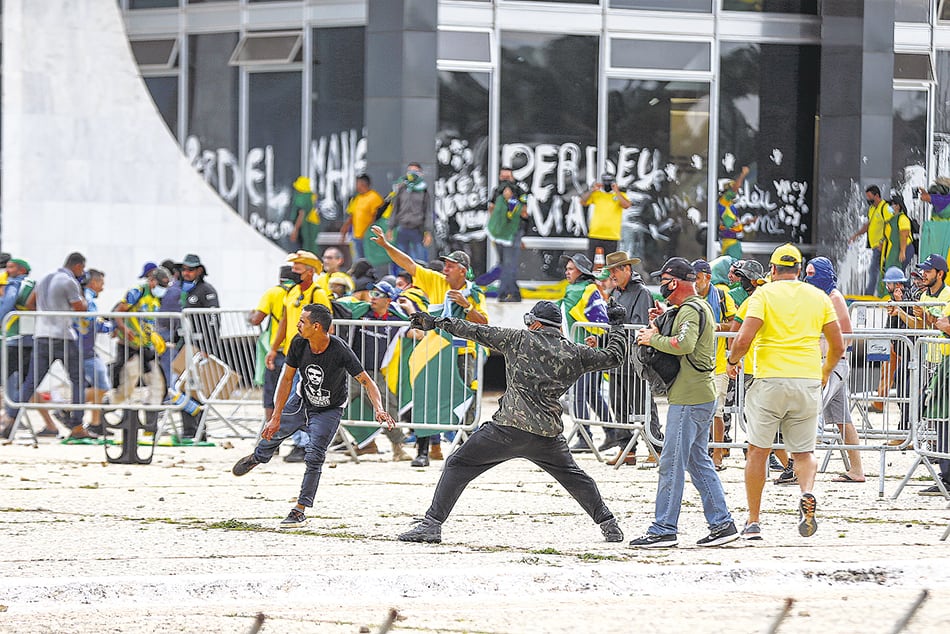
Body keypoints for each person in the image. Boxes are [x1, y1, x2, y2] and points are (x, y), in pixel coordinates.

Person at [396, 300, 628, 544]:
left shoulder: (518, 339)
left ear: (535, 324)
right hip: (547, 435)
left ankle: (432, 525)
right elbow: (614, 357)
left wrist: (436, 322)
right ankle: (608, 523)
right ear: (558, 327)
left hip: (507, 428)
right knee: (575, 477)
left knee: (457, 464)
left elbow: (475, 330)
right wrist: (616, 325)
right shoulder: (575, 352)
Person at [232, 304, 396, 528]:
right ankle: (257, 457)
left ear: (316, 326)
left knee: (314, 456)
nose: (298, 325)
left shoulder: (339, 349)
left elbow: (367, 381)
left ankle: (299, 509)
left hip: (329, 409)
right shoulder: (299, 343)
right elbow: (286, 380)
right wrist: (276, 416)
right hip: (301, 401)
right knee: (271, 436)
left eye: (302, 322)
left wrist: (379, 408)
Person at [726, 244, 844, 540]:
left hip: (770, 380)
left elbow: (743, 339)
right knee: (804, 453)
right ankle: (806, 492)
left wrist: (732, 361)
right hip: (807, 380)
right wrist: (825, 371)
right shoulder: (818, 297)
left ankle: (754, 520)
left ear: (773, 269)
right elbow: (838, 344)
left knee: (758, 451)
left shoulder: (763, 295)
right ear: (800, 270)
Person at [628, 258, 736, 549]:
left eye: (663, 280)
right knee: (696, 461)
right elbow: (685, 336)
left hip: (689, 398)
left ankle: (664, 528)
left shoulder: (690, 309)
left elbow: (684, 344)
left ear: (674, 282)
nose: (661, 286)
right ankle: (722, 524)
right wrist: (663, 320)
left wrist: (652, 339)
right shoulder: (695, 307)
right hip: (697, 395)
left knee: (672, 462)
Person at [371, 225, 488, 467]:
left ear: (462, 270)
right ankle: (423, 452)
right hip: (434, 351)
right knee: (426, 398)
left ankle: (466, 453)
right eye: (445, 265)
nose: (445, 269)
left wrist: (466, 306)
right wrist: (386, 246)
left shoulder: (475, 293)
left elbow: (484, 323)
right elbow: (409, 264)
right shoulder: (436, 282)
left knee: (466, 400)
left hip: (462, 353)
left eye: (450, 265)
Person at [9, 253, 89, 440]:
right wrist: (82, 293)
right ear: (78, 266)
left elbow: (30, 304)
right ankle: (77, 425)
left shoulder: (44, 278)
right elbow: (81, 308)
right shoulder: (69, 281)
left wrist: (46, 315)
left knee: (31, 382)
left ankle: (10, 419)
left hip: (41, 335)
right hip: (63, 336)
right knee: (78, 380)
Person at [888, 254, 950, 494]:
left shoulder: (947, 295)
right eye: (923, 270)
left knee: (938, 412)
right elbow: (920, 326)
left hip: (945, 361)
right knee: (931, 409)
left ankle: (941, 461)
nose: (923, 274)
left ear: (940, 274)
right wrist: (902, 313)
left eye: (928, 270)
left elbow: (943, 325)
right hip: (930, 362)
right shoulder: (924, 296)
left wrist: (928, 318)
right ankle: (939, 457)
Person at [265, 251, 333, 462]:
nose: (293, 272)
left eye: (297, 269)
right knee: (286, 399)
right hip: (292, 354)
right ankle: (299, 442)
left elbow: (328, 326)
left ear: (309, 272)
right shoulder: (292, 291)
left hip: (309, 355)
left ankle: (303, 444)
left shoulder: (318, 294)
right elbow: (284, 322)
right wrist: (273, 348)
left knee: (300, 401)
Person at [804, 257, 864, 483]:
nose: (808, 278)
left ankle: (800, 466)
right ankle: (856, 470)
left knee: (810, 411)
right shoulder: (822, 297)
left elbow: (847, 334)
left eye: (812, 274)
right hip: (829, 363)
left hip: (833, 364)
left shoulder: (834, 297)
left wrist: (829, 355)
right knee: (843, 420)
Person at [599, 250, 662, 464]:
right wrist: (600, 341)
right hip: (617, 358)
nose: (612, 275)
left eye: (615, 270)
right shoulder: (615, 294)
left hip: (635, 359)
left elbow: (639, 326)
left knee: (643, 405)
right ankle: (626, 449)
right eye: (610, 271)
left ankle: (656, 447)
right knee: (618, 405)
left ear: (627, 269)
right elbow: (613, 327)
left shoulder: (641, 293)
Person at [343, 281, 411, 461]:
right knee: (332, 404)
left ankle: (398, 448)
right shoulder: (361, 313)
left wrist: (409, 309)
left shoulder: (396, 319)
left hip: (374, 374)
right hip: (352, 372)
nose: (372, 297)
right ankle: (311, 443)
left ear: (388, 300)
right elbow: (341, 307)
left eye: (378, 294)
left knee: (389, 407)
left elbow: (417, 333)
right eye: (372, 293)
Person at [558, 253, 611, 452]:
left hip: (583, 351)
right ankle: (613, 432)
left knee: (578, 394)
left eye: (571, 269)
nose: (567, 272)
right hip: (596, 350)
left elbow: (559, 312)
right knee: (592, 393)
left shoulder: (577, 290)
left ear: (581, 271)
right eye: (567, 268)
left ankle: (584, 437)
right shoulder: (591, 288)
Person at [111, 266, 171, 429]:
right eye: (160, 285)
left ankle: (150, 426)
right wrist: (123, 329)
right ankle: (105, 408)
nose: (162, 289)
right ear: (152, 281)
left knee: (158, 385)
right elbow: (118, 312)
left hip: (146, 348)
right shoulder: (137, 292)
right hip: (130, 347)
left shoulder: (156, 298)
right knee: (127, 386)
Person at [693, 259, 732, 470]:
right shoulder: (689, 298)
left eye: (697, 278)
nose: (695, 282)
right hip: (694, 363)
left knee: (717, 411)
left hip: (718, 363)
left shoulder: (722, 295)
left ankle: (718, 453)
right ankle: (700, 451)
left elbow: (735, 324)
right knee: (697, 410)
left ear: (708, 277)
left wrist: (717, 326)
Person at [179, 253, 220, 440]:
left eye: (190, 269)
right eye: (184, 269)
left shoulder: (206, 290)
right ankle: (188, 430)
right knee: (183, 388)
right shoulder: (183, 290)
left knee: (197, 389)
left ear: (199, 270)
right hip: (185, 346)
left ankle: (198, 430)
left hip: (200, 347)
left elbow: (213, 320)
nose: (186, 273)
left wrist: (208, 348)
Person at [249, 265, 296, 429]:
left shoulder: (273, 293)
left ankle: (271, 431)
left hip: (278, 350)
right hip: (297, 349)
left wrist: (250, 315)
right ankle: (294, 431)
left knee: (271, 393)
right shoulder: (299, 293)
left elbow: (256, 319)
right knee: (294, 392)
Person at [76, 269, 112, 433]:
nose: (102, 288)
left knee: (97, 385)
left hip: (84, 348)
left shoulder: (82, 296)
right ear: (94, 282)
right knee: (103, 386)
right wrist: (111, 326)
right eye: (101, 283)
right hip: (85, 349)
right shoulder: (88, 298)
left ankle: (96, 423)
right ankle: (67, 406)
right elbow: (93, 321)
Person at [486, 181, 529, 303]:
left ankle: (504, 292)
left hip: (512, 235)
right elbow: (491, 209)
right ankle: (514, 292)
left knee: (509, 265)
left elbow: (524, 214)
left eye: (508, 190)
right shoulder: (498, 197)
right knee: (504, 264)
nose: (506, 192)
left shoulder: (518, 198)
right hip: (498, 235)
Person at [849, 185, 893, 297]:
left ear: (877, 196)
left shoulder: (885, 208)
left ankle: (871, 293)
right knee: (876, 270)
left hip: (882, 246)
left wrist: (883, 242)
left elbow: (891, 225)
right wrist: (856, 235)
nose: (868, 200)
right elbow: (868, 225)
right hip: (875, 246)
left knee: (874, 269)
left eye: (870, 197)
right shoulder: (872, 209)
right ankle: (878, 292)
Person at [387, 162, 433, 268]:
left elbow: (428, 212)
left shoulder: (423, 190)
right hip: (402, 228)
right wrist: (390, 228)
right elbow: (395, 209)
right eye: (410, 171)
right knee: (401, 260)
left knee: (420, 261)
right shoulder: (402, 188)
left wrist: (428, 232)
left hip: (417, 229)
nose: (412, 173)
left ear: (421, 173)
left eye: (415, 171)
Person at [580, 173, 631, 258]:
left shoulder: (620, 195)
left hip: (612, 235)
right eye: (605, 182)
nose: (607, 184)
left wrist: (617, 191)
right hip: (595, 234)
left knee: (610, 263)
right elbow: (582, 201)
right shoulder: (597, 194)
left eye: (609, 182)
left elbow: (626, 205)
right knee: (589, 261)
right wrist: (592, 190)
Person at [340, 174, 385, 260]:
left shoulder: (374, 197)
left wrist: (370, 231)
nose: (356, 186)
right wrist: (344, 231)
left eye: (357, 183)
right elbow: (352, 216)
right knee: (358, 259)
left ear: (363, 184)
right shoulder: (357, 198)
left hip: (368, 237)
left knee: (369, 260)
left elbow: (376, 217)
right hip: (356, 236)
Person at [717, 166, 750, 258]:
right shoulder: (723, 202)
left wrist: (747, 223)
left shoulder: (730, 206)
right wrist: (743, 174)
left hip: (733, 241)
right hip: (729, 242)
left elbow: (732, 225)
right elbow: (734, 189)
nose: (736, 191)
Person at [881, 195, 916, 277]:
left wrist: (902, 251)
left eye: (892, 204)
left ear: (898, 206)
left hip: (904, 248)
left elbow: (904, 234)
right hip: (896, 249)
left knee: (898, 273)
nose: (889, 207)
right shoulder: (892, 219)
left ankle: (905, 285)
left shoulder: (902, 218)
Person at [289, 176, 320, 251]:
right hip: (314, 223)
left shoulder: (302, 198)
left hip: (305, 225)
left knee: (305, 247)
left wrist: (295, 230)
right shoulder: (312, 196)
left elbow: (301, 214)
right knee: (312, 246)